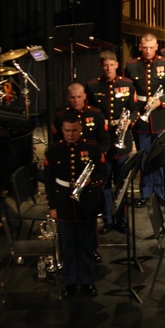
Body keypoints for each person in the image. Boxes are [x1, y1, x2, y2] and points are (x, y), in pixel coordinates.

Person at [44, 113, 106, 297]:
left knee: (86, 244)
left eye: (74, 131)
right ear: (62, 131)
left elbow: (103, 173)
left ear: (80, 129)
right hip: (63, 202)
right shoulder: (54, 150)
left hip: (86, 203)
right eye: (67, 131)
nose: (70, 134)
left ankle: (87, 282)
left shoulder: (92, 148)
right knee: (68, 246)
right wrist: (52, 206)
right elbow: (49, 181)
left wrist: (91, 182)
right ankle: (70, 282)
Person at [125, 34, 165, 207]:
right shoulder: (131, 65)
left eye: (151, 47)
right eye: (144, 47)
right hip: (141, 119)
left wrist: (160, 101)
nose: (148, 51)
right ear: (140, 47)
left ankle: (160, 192)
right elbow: (128, 92)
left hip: (162, 118)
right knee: (144, 157)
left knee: (159, 158)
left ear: (157, 46)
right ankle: (145, 192)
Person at [87, 50, 135, 233]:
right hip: (103, 141)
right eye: (105, 65)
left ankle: (120, 219)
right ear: (101, 67)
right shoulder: (92, 86)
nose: (108, 68)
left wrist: (129, 120)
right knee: (104, 183)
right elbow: (90, 112)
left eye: (112, 64)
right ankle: (108, 219)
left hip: (122, 140)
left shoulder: (127, 84)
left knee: (121, 183)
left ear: (117, 65)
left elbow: (133, 108)